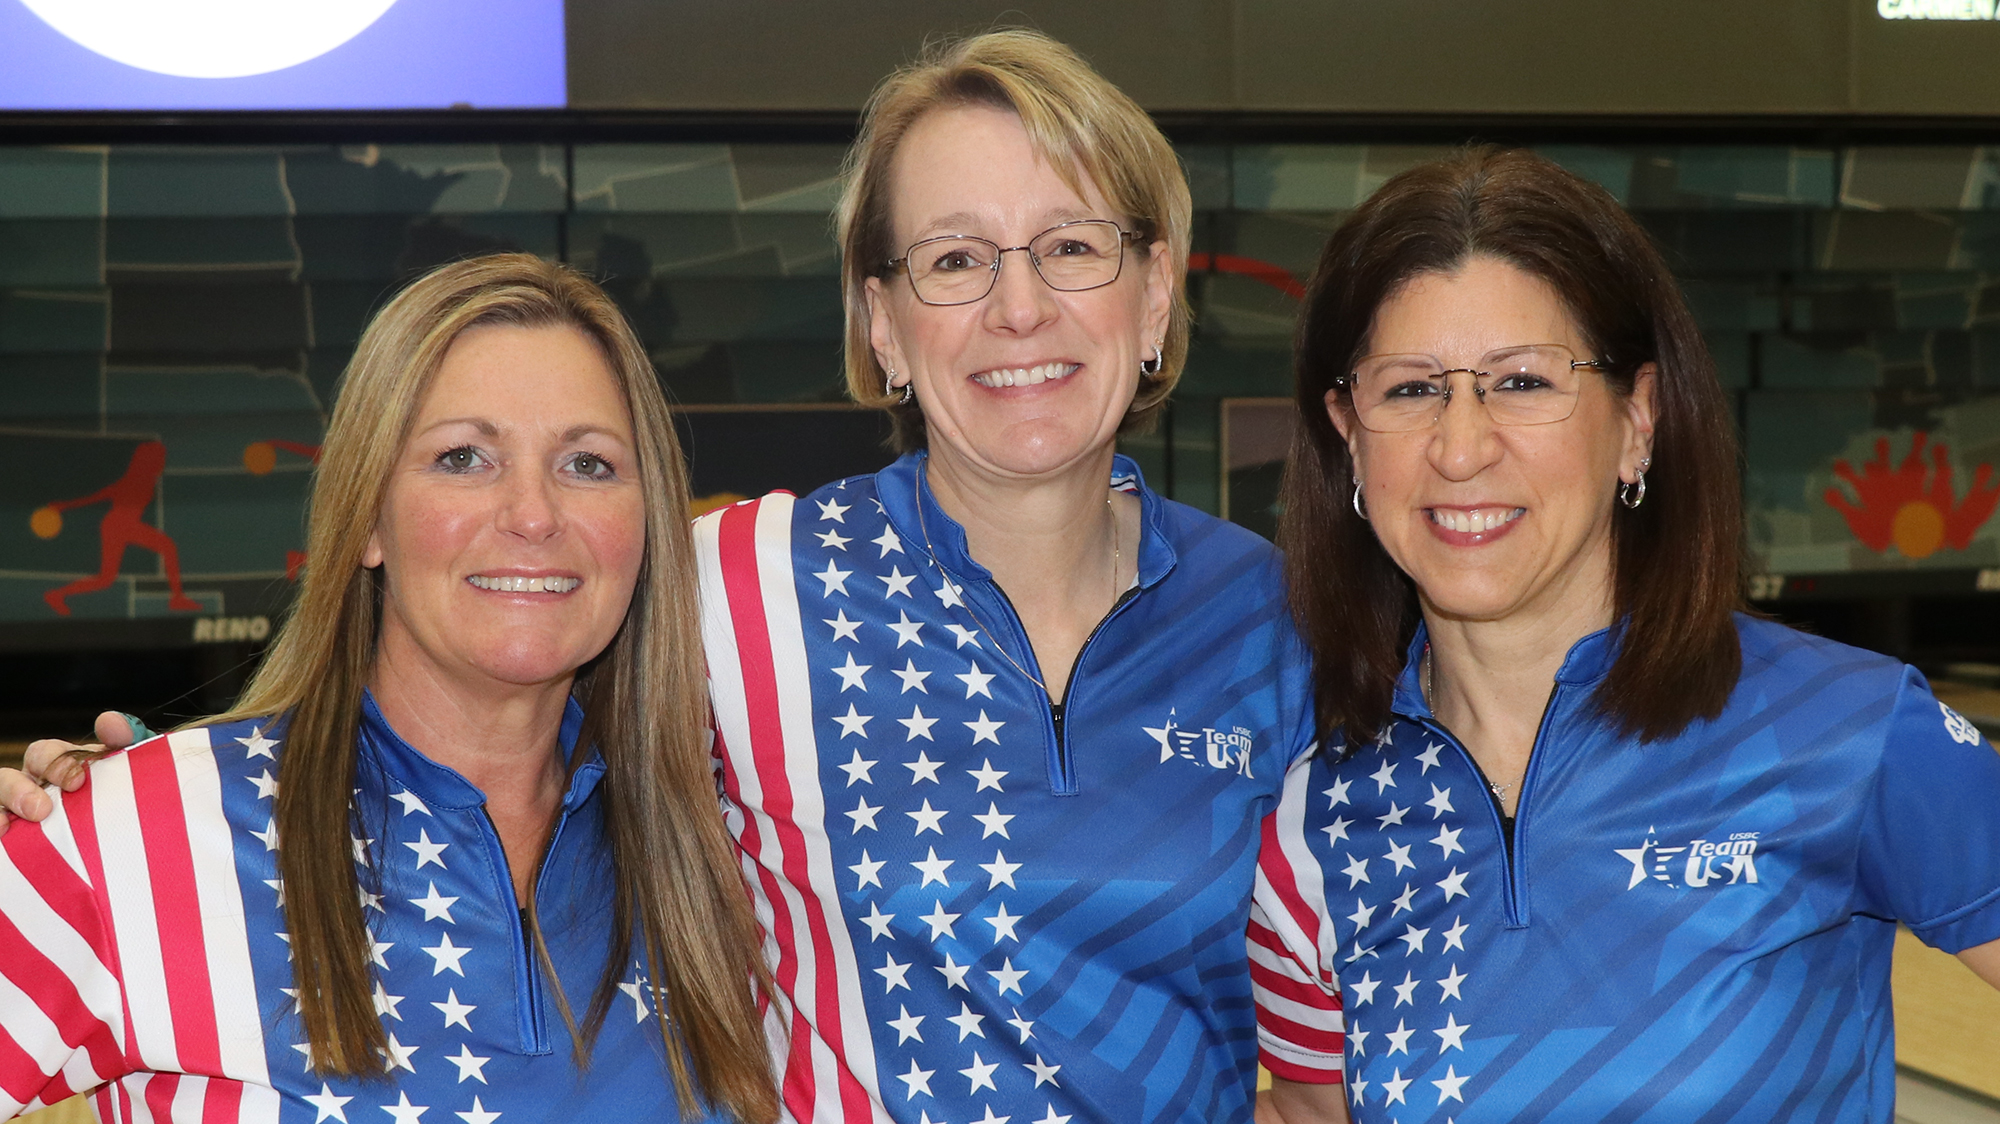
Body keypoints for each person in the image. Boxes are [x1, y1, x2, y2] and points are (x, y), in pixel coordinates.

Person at [3, 33, 1343, 1124]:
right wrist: (117, 809)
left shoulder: (1290, 619)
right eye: (953, 259)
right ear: (879, 321)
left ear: (1158, 292)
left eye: (1073, 246)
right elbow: (455, 694)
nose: (1019, 307)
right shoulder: (734, 585)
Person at [1258, 147, 2000, 1121]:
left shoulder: (1847, 732)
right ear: (1346, 431)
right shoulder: (1314, 819)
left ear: (1636, 419)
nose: (1460, 444)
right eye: (1409, 388)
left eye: (1521, 381)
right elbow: (1312, 1111)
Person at [0, 255, 776, 1122]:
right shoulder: (141, 834)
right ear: (367, 515)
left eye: (588, 464)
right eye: (463, 457)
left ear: (648, 523)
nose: (532, 513)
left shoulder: (739, 863)